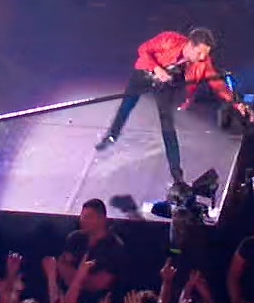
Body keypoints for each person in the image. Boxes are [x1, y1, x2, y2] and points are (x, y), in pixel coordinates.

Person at [97, 25, 243, 186]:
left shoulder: (203, 62)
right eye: (199, 52)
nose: (202, 57)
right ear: (190, 45)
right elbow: (143, 49)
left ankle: (176, 172)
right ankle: (112, 136)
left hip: (166, 85)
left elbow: (216, 83)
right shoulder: (169, 40)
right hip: (144, 75)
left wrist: (234, 102)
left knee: (167, 125)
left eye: (205, 54)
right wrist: (156, 68)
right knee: (127, 106)